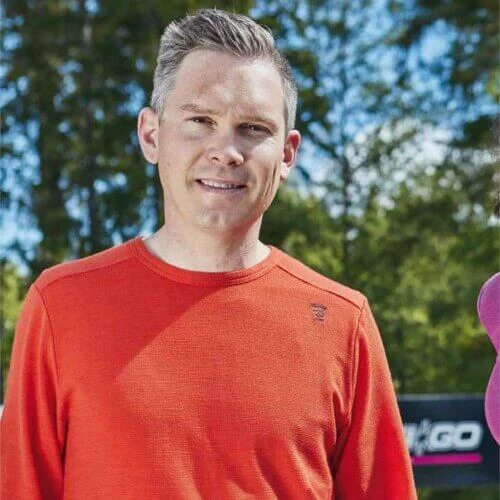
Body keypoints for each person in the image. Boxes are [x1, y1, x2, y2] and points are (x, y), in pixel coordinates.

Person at [1, 9, 417, 499]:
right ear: (151, 135)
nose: (226, 151)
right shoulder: (61, 306)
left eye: (253, 128)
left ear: (287, 154)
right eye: (201, 120)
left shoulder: (343, 323)